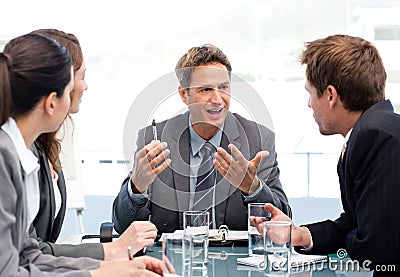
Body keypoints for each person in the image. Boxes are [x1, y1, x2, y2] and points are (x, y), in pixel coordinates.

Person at [0, 33, 163, 276]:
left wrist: (112, 268)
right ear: (52, 103)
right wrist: (102, 272)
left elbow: (28, 256)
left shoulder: (18, 153)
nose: (82, 89)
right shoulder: (5, 158)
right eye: (69, 89)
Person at [254, 34, 400, 274]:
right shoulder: (374, 130)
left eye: (310, 93)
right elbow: (355, 225)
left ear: (331, 95)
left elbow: (376, 250)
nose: (309, 104)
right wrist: (299, 234)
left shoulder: (375, 136)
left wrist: (356, 239)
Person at [112, 44, 289, 235]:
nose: (218, 99)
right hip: (173, 259)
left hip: (235, 261)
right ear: (183, 94)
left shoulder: (258, 139)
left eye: (223, 88)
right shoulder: (154, 138)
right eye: (205, 90)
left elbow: (284, 223)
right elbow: (122, 226)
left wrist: (253, 188)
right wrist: (137, 186)